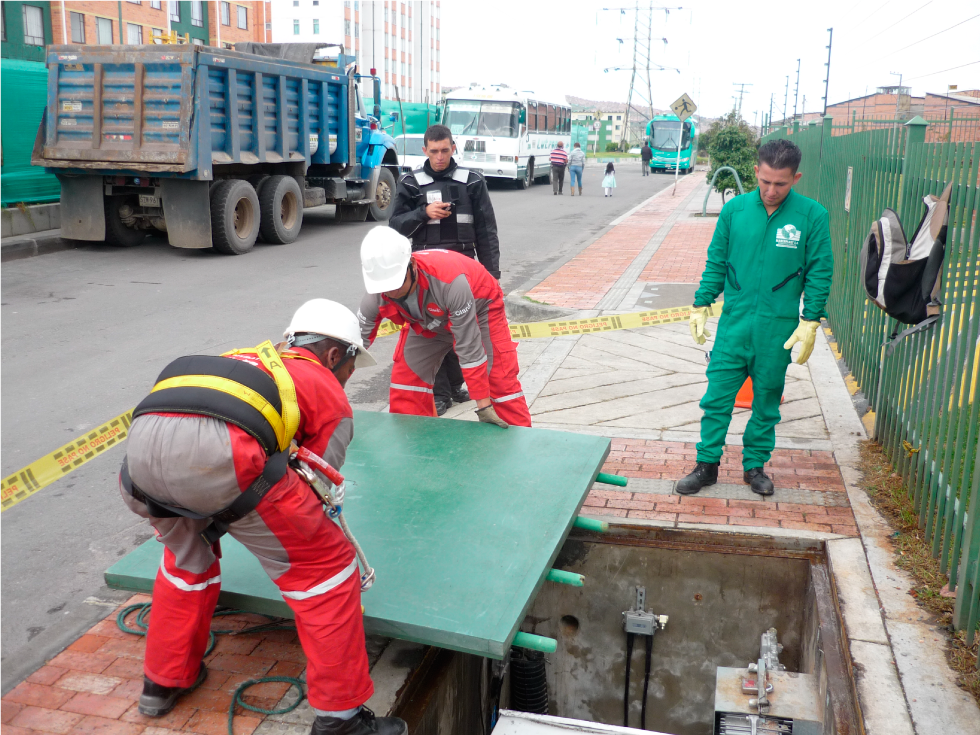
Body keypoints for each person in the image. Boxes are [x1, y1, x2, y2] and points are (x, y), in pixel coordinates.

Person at [119, 300, 408, 735]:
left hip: (138, 472)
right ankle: (342, 720)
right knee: (326, 571)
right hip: (225, 463)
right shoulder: (323, 387)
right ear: (334, 355)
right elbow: (317, 483)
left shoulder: (243, 359)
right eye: (350, 369)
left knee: (186, 562)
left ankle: (163, 681)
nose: (347, 381)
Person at [679, 138, 833, 497]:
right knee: (716, 398)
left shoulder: (812, 216)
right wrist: (701, 303)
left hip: (776, 328)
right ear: (755, 172)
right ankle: (706, 465)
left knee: (766, 400)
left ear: (796, 178)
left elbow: (820, 271)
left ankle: (755, 466)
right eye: (765, 181)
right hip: (734, 325)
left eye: (781, 183)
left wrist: (810, 319)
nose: (771, 190)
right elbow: (717, 261)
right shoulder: (735, 211)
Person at [358, 226, 532, 428]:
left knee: (499, 382)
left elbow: (468, 345)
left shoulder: (451, 282)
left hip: (480, 308)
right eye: (385, 288)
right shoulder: (376, 294)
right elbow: (354, 347)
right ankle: (415, 442)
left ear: (412, 265)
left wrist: (483, 405)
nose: (392, 293)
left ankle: (518, 440)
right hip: (428, 320)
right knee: (406, 384)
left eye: (397, 284)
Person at [389, 124, 501, 416]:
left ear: (453, 147)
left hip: (464, 269)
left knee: (460, 333)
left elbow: (486, 231)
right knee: (431, 331)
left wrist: (492, 276)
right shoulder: (411, 182)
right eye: (434, 151)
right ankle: (439, 394)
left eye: (445, 150)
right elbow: (395, 226)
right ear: (424, 150)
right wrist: (422, 214)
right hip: (424, 273)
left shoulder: (473, 181)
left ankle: (453, 387)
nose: (440, 157)